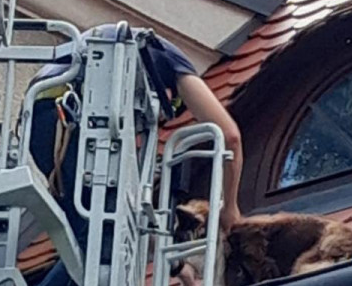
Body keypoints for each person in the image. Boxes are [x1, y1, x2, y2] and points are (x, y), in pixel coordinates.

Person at [27, 23, 243, 243]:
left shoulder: (123, 69)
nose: (158, 120)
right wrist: (230, 207)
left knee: (86, 241)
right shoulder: (173, 62)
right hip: (66, 118)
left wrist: (179, 271)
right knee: (105, 241)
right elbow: (230, 137)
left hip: (39, 119)